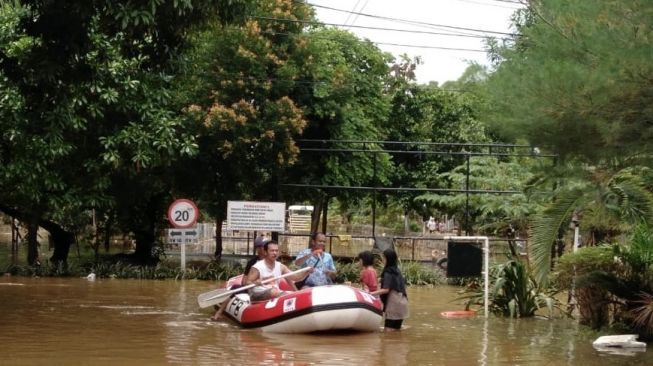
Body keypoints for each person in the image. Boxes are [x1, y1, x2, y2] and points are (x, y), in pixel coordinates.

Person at [211, 235, 269, 320]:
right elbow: (244, 281)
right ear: (259, 249)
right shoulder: (252, 262)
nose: (268, 249)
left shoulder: (273, 261)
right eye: (265, 246)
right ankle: (219, 312)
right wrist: (254, 283)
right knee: (234, 288)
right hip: (253, 286)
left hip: (269, 287)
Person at [247, 240, 313, 301]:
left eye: (276, 251)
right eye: (272, 251)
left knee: (291, 295)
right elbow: (247, 282)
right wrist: (256, 282)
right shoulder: (258, 267)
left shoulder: (281, 266)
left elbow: (296, 277)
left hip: (275, 292)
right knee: (274, 292)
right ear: (265, 252)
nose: (275, 253)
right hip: (258, 293)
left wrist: (307, 272)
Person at [370, 249, 409, 332]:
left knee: (388, 332)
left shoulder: (388, 272)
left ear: (387, 259)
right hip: (402, 302)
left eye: (383, 258)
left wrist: (370, 293)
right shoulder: (396, 270)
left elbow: (386, 289)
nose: (382, 260)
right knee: (396, 331)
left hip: (394, 304)